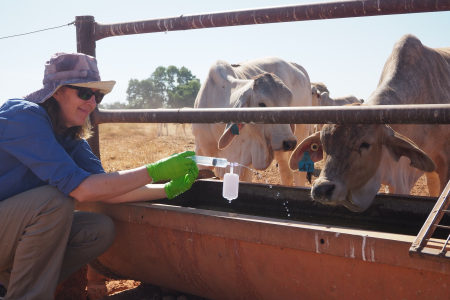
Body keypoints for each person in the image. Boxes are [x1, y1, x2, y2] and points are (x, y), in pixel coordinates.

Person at [0, 52, 199, 300]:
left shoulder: (68, 134)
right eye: (84, 93)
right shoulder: (23, 116)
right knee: (54, 201)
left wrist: (167, 188)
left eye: (98, 95)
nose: (92, 102)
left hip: (8, 234)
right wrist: (153, 170)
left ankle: (8, 285)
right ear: (57, 91)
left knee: (97, 230)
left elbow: (105, 190)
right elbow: (83, 189)